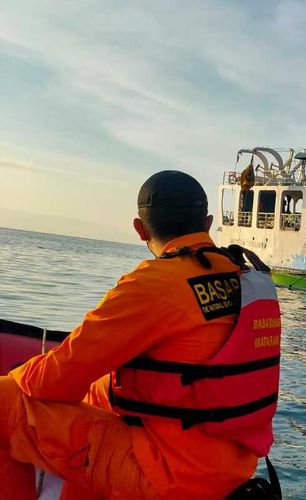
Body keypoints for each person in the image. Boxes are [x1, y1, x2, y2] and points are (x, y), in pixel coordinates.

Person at [0, 171, 281, 499]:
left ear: (140, 228)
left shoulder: (154, 284)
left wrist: (19, 374)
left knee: (6, 400)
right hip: (232, 469)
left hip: (170, 476)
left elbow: (47, 383)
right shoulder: (249, 280)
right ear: (207, 223)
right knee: (98, 398)